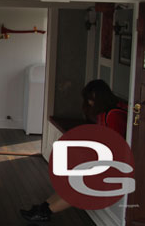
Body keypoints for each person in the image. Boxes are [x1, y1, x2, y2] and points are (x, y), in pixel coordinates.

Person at [20, 79, 128, 222]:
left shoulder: (113, 115)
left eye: (91, 99)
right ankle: (44, 208)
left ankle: (45, 212)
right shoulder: (106, 112)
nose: (89, 103)